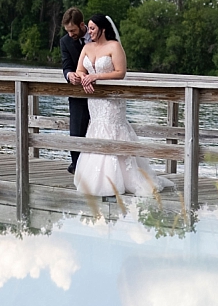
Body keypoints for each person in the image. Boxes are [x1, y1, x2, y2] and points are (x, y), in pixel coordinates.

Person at [73, 14, 172, 198]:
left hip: (112, 100)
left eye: (93, 28)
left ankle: (122, 178)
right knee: (96, 129)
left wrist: (96, 76)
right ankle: (95, 178)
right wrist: (83, 77)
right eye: (89, 28)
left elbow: (120, 73)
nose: (90, 32)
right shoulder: (87, 47)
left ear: (103, 29)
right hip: (94, 100)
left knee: (112, 129)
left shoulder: (114, 46)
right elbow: (80, 68)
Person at [60, 8, 91, 174]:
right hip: (78, 92)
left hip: (100, 91)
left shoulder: (96, 36)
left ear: (81, 25)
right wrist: (69, 74)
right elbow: (66, 65)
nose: (70, 34)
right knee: (76, 128)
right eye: (68, 31)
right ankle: (77, 165)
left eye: (73, 30)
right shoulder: (65, 42)